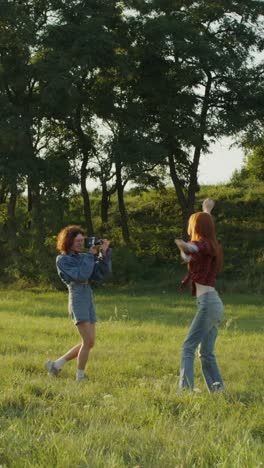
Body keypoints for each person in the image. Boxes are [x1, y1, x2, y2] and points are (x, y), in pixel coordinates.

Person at [46, 225, 111, 381]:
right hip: (77, 296)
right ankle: (80, 377)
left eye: (82, 241)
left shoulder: (83, 257)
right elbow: (81, 275)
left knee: (90, 342)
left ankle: (56, 364)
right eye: (78, 241)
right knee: (87, 341)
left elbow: (101, 273)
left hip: (87, 295)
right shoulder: (62, 260)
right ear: (68, 241)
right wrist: (90, 255)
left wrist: (104, 253)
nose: (80, 244)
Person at [175, 199, 224, 393]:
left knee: (188, 347)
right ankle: (218, 390)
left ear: (195, 226)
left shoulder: (202, 245)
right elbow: (190, 254)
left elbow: (193, 248)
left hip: (208, 304)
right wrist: (207, 211)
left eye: (191, 224)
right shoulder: (209, 244)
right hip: (213, 304)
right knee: (205, 352)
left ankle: (185, 391)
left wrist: (181, 244)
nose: (188, 227)